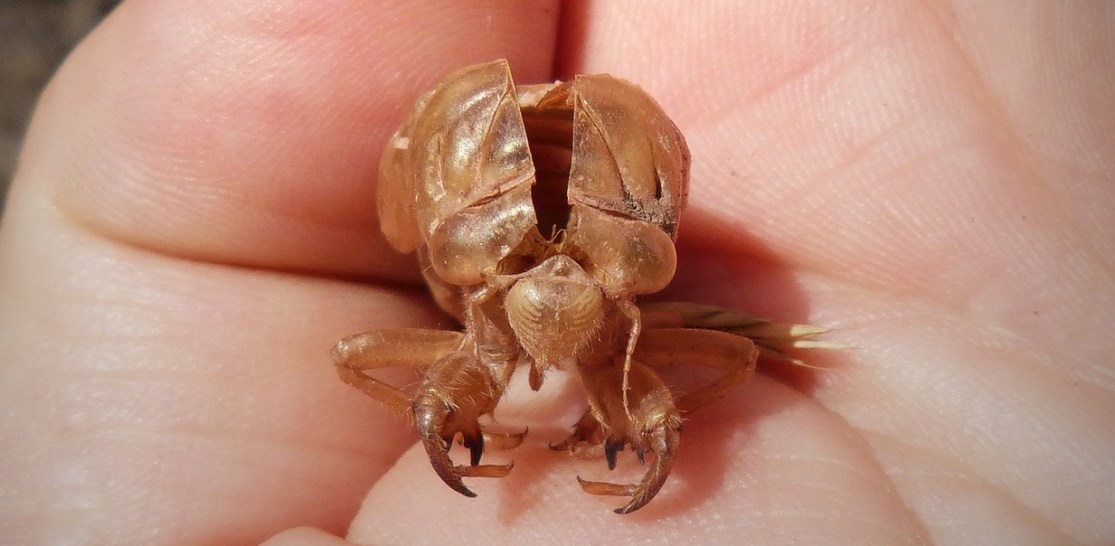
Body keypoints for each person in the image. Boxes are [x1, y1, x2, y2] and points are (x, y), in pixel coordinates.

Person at [1, 2, 1112, 544]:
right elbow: (372, 362)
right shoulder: (563, 290)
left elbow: (705, 363)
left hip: (481, 225)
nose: (554, 330)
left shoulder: (580, 298)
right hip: (496, 230)